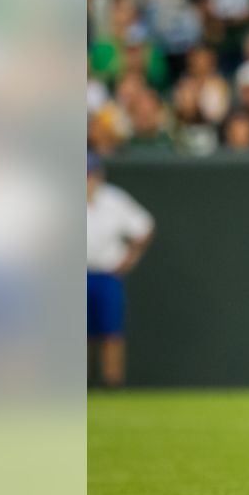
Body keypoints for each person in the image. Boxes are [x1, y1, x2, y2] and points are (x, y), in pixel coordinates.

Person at [86, 152, 155, 388]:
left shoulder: (113, 200)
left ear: (99, 175)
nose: (88, 181)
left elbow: (144, 226)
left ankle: (112, 385)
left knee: (111, 333)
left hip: (106, 276)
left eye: (91, 174)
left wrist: (129, 260)